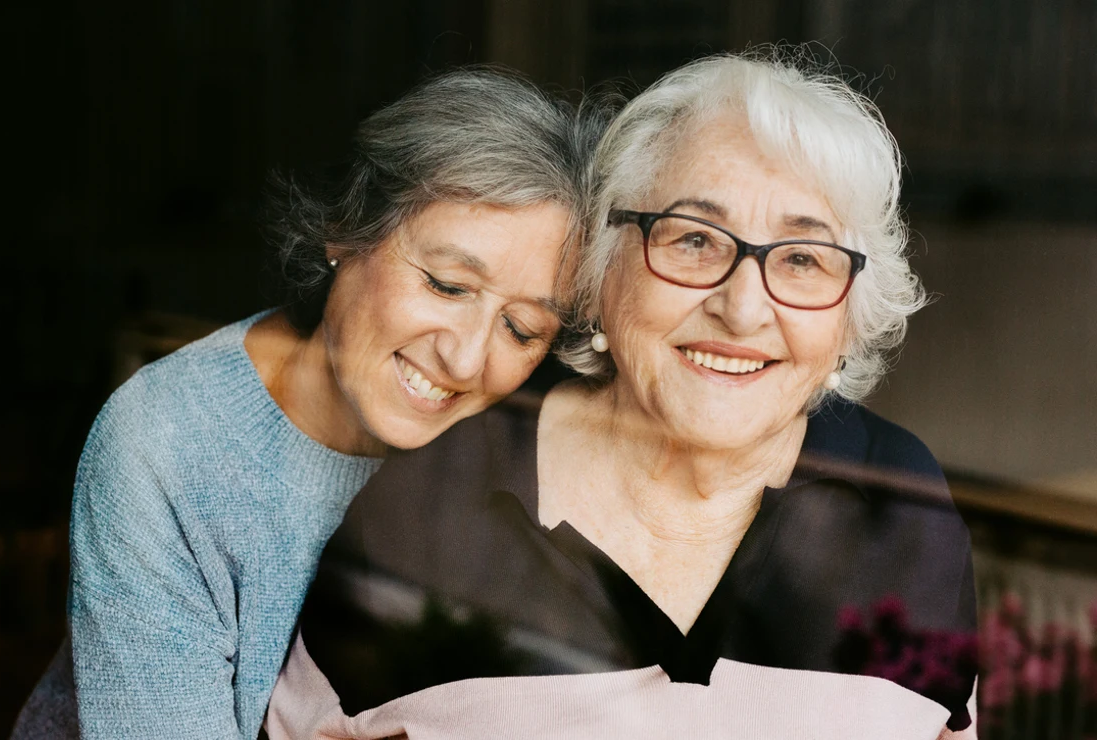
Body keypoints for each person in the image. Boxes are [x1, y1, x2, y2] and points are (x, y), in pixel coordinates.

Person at [270, 52, 978, 739]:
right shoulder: (433, 498)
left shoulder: (903, 508)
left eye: (801, 258)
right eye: (694, 241)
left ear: (850, 314)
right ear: (602, 272)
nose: (742, 309)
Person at [9, 68, 607, 739]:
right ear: (347, 231)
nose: (467, 361)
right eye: (446, 285)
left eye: (522, 328)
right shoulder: (167, 442)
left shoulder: (503, 462)